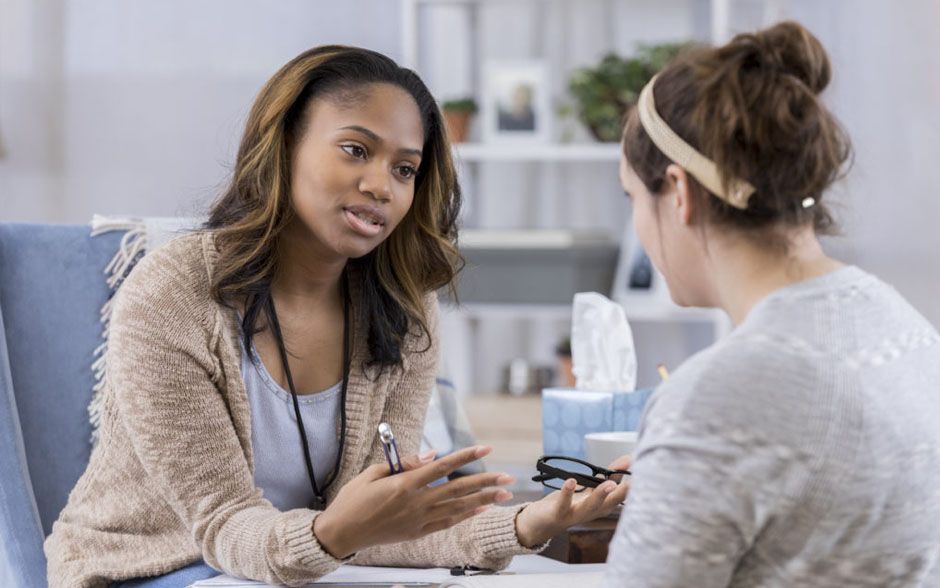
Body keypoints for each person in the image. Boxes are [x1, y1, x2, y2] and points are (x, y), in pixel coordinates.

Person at [44, 46, 628, 587]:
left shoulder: (405, 310)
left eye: (405, 169)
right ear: (284, 145)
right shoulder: (174, 295)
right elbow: (225, 525)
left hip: (301, 568)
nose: (381, 186)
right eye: (356, 150)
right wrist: (336, 533)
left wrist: (525, 524)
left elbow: (375, 527)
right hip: (150, 568)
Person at [603, 21, 940, 587]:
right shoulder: (904, 327)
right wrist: (683, 482)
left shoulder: (720, 392)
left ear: (679, 193)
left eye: (633, 196)